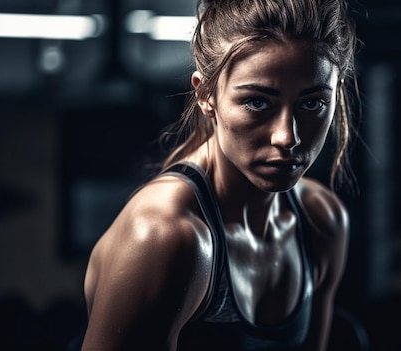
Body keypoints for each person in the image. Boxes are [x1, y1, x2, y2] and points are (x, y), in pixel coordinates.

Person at [81, 0, 361, 350]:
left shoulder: (322, 220)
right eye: (258, 102)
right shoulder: (165, 235)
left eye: (312, 103)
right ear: (205, 94)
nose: (287, 137)